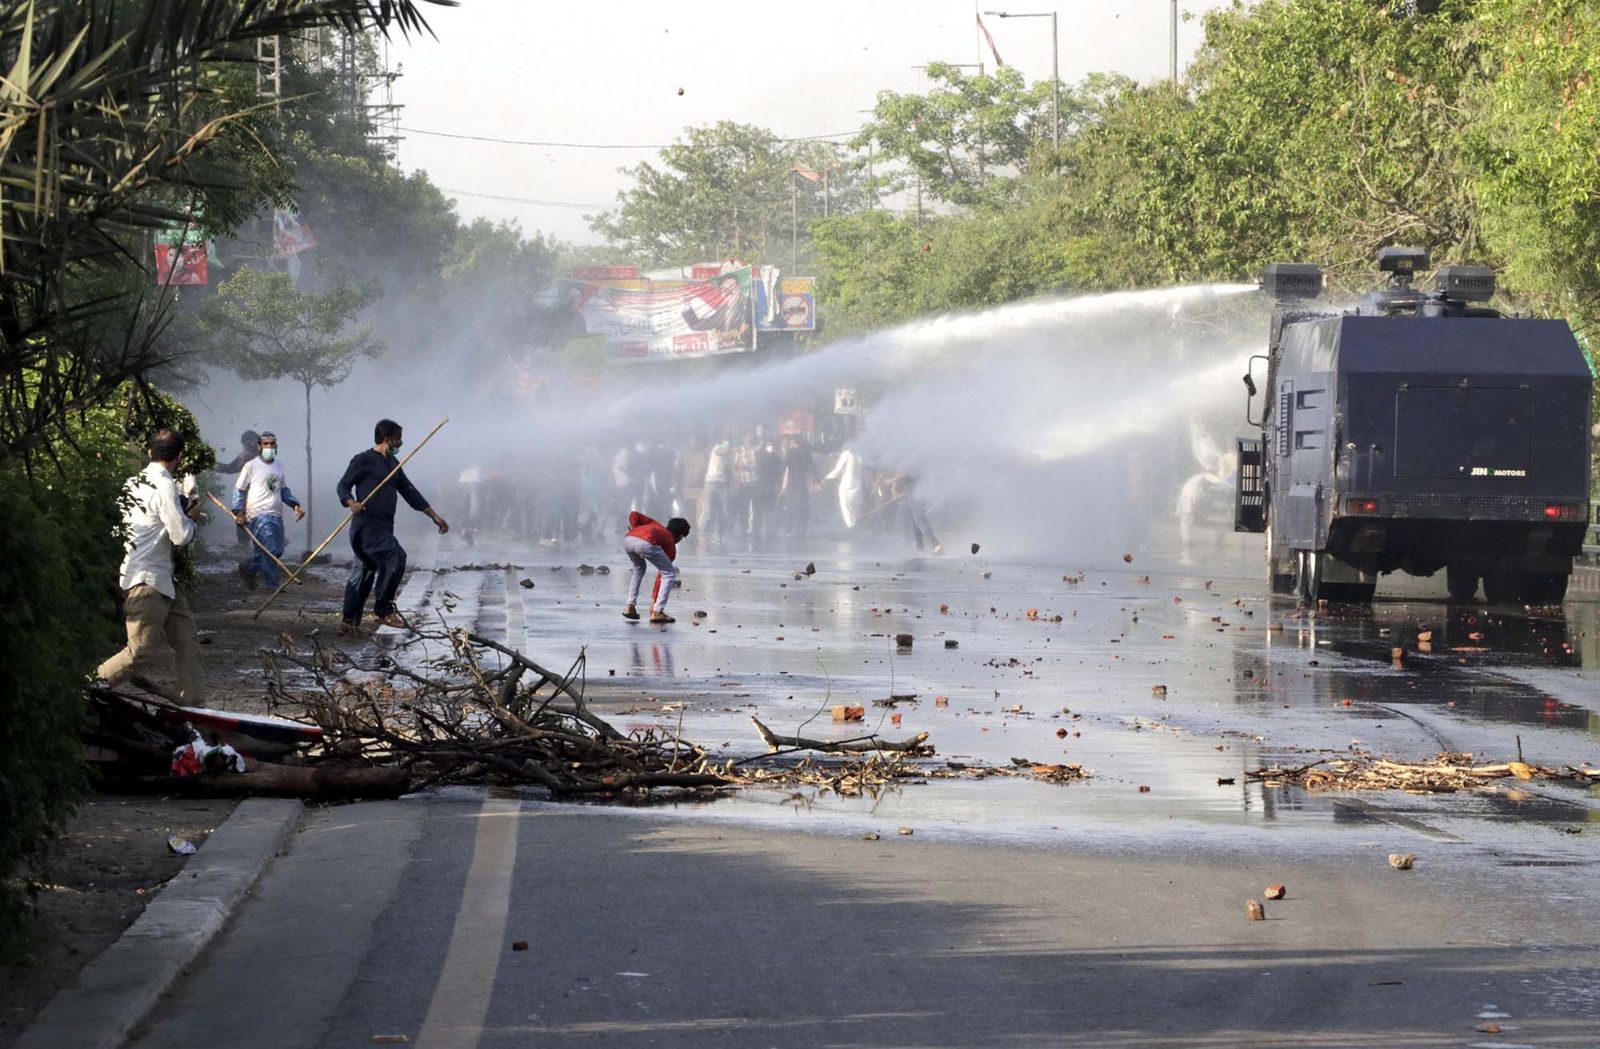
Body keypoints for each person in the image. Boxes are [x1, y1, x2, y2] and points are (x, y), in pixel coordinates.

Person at [97, 428, 205, 703]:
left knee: (187, 643)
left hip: (161, 579)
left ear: (149, 452)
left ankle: (196, 707)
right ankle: (85, 689)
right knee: (139, 652)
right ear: (178, 457)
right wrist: (192, 517)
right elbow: (180, 536)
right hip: (148, 582)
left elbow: (144, 520)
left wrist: (181, 506)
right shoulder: (165, 485)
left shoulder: (133, 483)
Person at [335, 419, 449, 635]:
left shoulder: (393, 464)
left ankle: (349, 622)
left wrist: (434, 516)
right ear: (387, 439)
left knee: (364, 573)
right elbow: (343, 485)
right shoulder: (364, 460)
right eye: (398, 438)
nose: (401, 443)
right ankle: (384, 610)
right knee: (396, 557)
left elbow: (409, 492)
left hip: (384, 527)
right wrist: (352, 502)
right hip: (366, 526)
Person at [230, 431, 305, 589]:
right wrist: (239, 511)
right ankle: (273, 585)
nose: (269, 447)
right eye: (265, 444)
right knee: (271, 549)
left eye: (272, 444)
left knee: (274, 550)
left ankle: (250, 568)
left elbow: (283, 489)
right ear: (259, 446)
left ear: (276, 446)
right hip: (258, 514)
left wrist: (295, 505)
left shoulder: (279, 466)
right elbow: (239, 490)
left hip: (276, 513)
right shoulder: (251, 466)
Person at [622, 511, 690, 625]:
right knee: (668, 573)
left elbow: (633, 515)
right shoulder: (670, 544)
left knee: (639, 568)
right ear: (680, 536)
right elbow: (661, 575)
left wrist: (636, 530)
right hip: (646, 542)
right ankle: (658, 612)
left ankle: (630, 606)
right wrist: (654, 601)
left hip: (629, 538)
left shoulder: (656, 525)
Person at [778, 432, 819, 543]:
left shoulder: (790, 453)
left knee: (791, 507)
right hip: (802, 484)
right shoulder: (806, 453)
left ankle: (790, 529)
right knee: (803, 506)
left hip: (792, 484)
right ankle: (802, 530)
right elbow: (813, 467)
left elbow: (783, 467)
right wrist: (816, 481)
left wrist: (778, 481)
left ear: (793, 442)